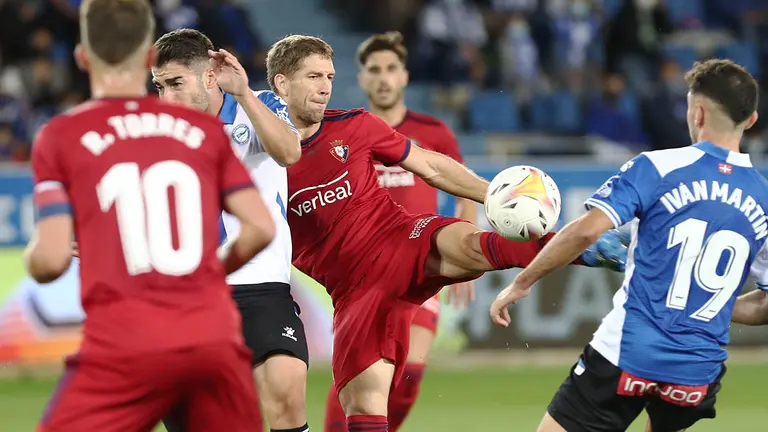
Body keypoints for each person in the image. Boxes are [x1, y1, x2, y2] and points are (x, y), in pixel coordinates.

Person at [265, 34, 627, 432]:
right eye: (313, 76)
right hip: (352, 291)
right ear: (281, 83)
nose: (324, 87)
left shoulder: (355, 126)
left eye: (329, 76)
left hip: (401, 237)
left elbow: (431, 167)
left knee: (468, 245)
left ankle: (579, 244)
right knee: (363, 404)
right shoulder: (259, 159)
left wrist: (497, 196)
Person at [28, 1, 275, 431]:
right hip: (212, 338)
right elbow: (259, 228)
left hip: (126, 343)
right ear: (148, 58)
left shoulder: (62, 135)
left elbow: (49, 261)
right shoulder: (201, 132)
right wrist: (205, 274)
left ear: (83, 57)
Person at [490, 58, 768, 432]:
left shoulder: (657, 167)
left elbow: (586, 232)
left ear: (698, 113)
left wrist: (523, 281)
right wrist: (699, 303)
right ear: (750, 120)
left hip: (629, 354)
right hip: (697, 373)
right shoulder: (764, 199)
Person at [151, 28, 309, 432]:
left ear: (208, 77)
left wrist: (243, 93)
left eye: (175, 84)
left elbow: (289, 152)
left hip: (261, 286)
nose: (166, 98)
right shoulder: (157, 132)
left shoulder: (260, 106)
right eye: (159, 86)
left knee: (287, 394)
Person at [323, 31, 476, 432]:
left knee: (407, 378)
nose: (384, 78)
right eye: (374, 70)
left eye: (391, 68)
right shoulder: (348, 132)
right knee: (356, 375)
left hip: (416, 266)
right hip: (361, 273)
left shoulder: (434, 132)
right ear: (362, 79)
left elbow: (461, 185)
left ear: (405, 76)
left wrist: (469, 239)